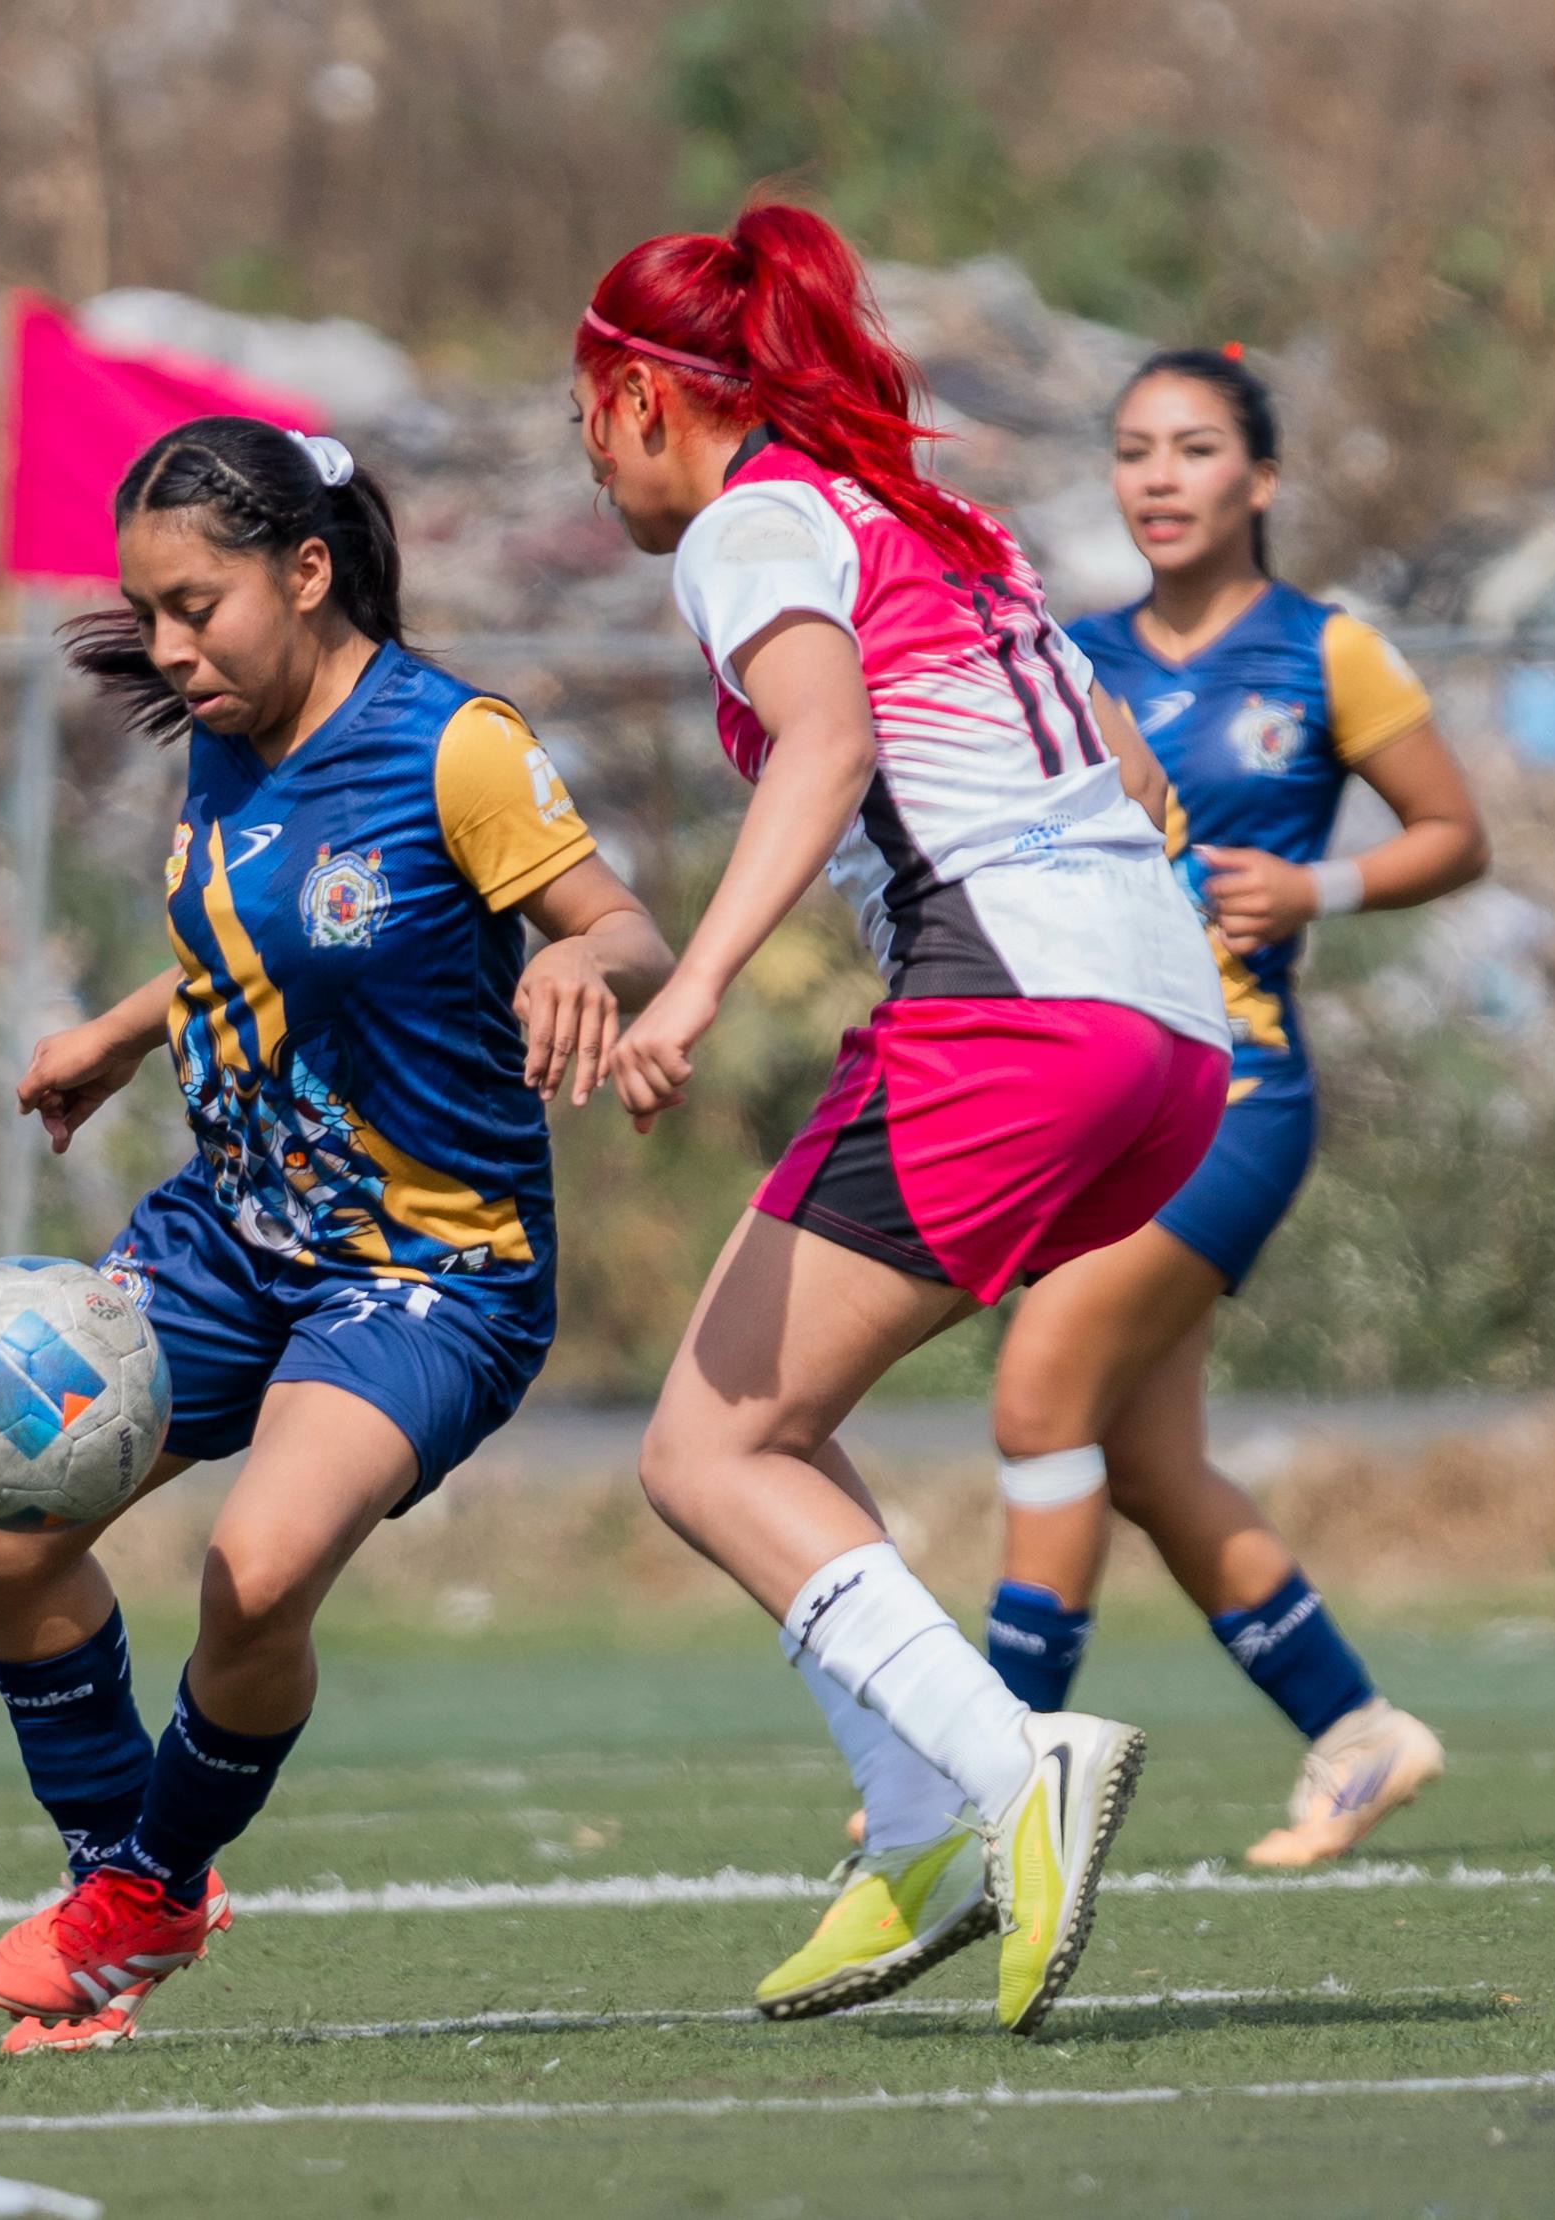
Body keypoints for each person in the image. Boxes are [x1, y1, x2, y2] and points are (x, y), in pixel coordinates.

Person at [576, 205, 1233, 2036]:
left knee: (700, 1456)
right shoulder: (936, 520)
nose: (590, 458)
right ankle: (926, 1813)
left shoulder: (752, 521)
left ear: (640, 397)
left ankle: (1009, 1766)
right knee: (763, 1418)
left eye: (585, 418)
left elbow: (828, 743)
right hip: (1161, 1032)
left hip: (1009, 1013)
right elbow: (1121, 757)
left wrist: (692, 987)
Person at [0, 416, 672, 2054]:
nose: (170, 646)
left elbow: (624, 923)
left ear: (310, 568)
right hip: (231, 1236)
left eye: (199, 605)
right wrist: (135, 1028)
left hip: (428, 1271)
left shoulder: (452, 744)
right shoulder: (225, 734)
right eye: (148, 612)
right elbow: (271, 934)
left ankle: (131, 1902)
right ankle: (126, 1899)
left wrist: (580, 968)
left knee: (256, 1575)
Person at [991, 347, 1488, 1864]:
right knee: (1141, 1459)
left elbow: (1456, 833)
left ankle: (1002, 1789)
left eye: (1194, 448)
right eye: (1133, 449)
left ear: (1259, 480)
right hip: (1104, 1099)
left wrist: (1320, 882)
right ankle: (1358, 1729)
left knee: (1037, 1395)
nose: (1157, 476)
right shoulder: (1072, 659)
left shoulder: (1324, 652)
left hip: (1238, 1093)